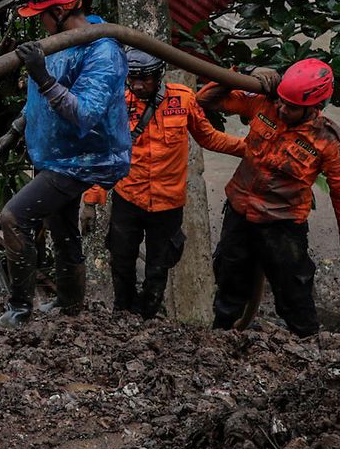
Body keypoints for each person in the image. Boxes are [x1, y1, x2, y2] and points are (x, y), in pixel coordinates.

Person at [0, 0, 130, 327]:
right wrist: (17, 126)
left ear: (60, 10)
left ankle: (20, 308)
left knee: (15, 217)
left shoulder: (103, 51)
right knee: (61, 226)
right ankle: (70, 304)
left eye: (42, 16)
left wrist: (39, 73)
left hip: (86, 158)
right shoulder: (60, 43)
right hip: (59, 154)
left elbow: (85, 114)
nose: (40, 23)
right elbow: (41, 97)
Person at [198, 58, 340, 337]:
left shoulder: (330, 140)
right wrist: (246, 72)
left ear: (314, 106)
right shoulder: (265, 103)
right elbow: (205, 100)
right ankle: (219, 341)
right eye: (282, 101)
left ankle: (309, 348)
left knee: (294, 295)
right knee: (229, 286)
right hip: (239, 213)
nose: (283, 109)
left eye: (292, 106)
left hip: (283, 225)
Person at [84, 49, 247, 319]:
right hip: (129, 198)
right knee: (121, 261)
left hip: (168, 204)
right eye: (132, 78)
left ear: (158, 76)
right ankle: (121, 314)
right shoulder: (118, 103)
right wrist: (92, 198)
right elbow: (105, 153)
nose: (138, 85)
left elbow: (209, 138)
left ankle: (147, 317)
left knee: (159, 268)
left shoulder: (182, 99)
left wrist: (251, 148)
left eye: (145, 78)